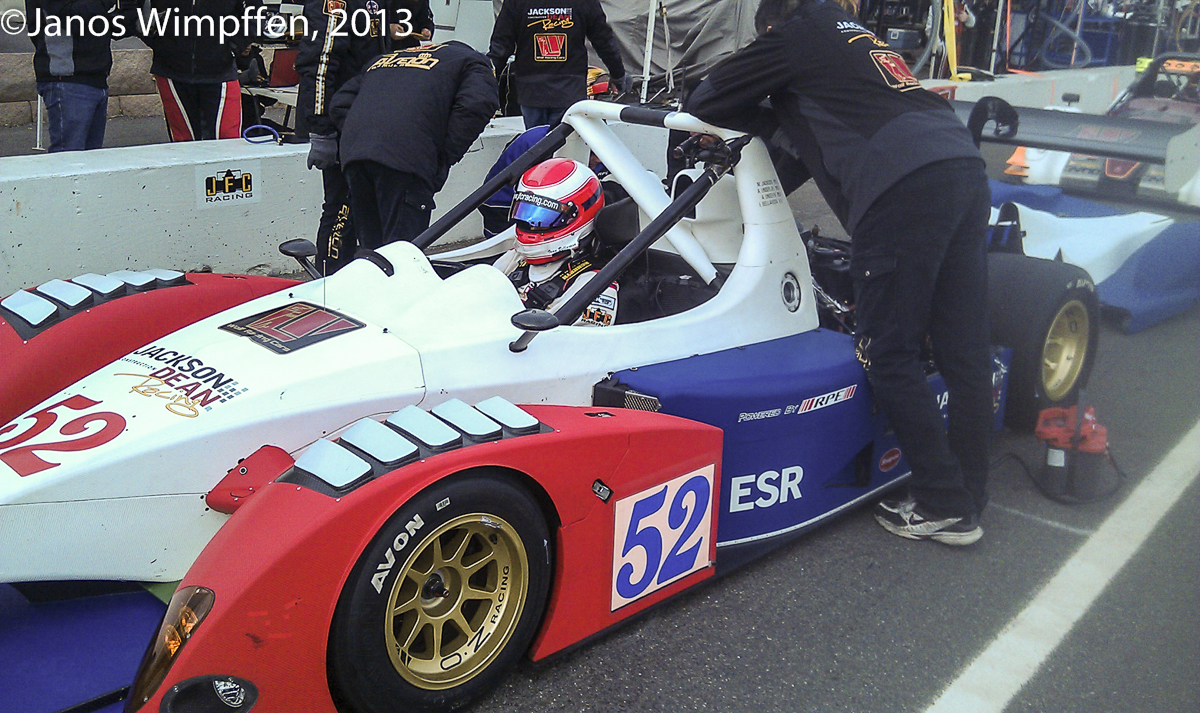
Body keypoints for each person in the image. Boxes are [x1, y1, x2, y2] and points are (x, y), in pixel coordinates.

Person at [688, 0, 992, 545]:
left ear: (770, 24)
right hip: (961, 166)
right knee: (962, 347)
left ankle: (943, 504)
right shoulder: (858, 40)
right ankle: (970, 495)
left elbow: (706, 97)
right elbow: (809, 147)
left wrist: (765, 107)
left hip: (902, 187)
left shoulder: (793, 34)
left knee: (886, 350)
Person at [296, 0, 434, 272]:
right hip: (340, 123)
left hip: (372, 119)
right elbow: (320, 61)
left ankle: (365, 284)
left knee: (368, 213)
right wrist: (321, 130)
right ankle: (329, 282)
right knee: (340, 210)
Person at [328, 40, 498, 249]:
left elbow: (339, 103)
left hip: (356, 156)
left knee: (371, 250)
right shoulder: (473, 62)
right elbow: (478, 104)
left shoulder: (387, 58)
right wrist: (443, 156)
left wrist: (367, 136)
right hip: (406, 158)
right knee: (402, 254)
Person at [493, 158, 619, 327]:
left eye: (542, 218)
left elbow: (570, 347)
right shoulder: (517, 257)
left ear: (577, 218)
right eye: (526, 211)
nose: (531, 224)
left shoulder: (594, 285)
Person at [487, 0, 630, 129]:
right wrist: (618, 74)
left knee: (537, 149)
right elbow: (603, 40)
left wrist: (487, 77)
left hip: (531, 90)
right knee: (564, 149)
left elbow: (501, 45)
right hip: (568, 90)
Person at [142, 0, 256, 141]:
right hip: (172, 70)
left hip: (220, 70)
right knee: (184, 144)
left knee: (228, 142)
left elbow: (256, 14)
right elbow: (134, 10)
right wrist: (159, 44)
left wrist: (233, 47)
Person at [26, 0, 129, 152]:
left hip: (95, 77)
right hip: (66, 78)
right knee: (69, 158)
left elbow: (113, 26)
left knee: (90, 161)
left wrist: (131, 9)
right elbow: (76, 17)